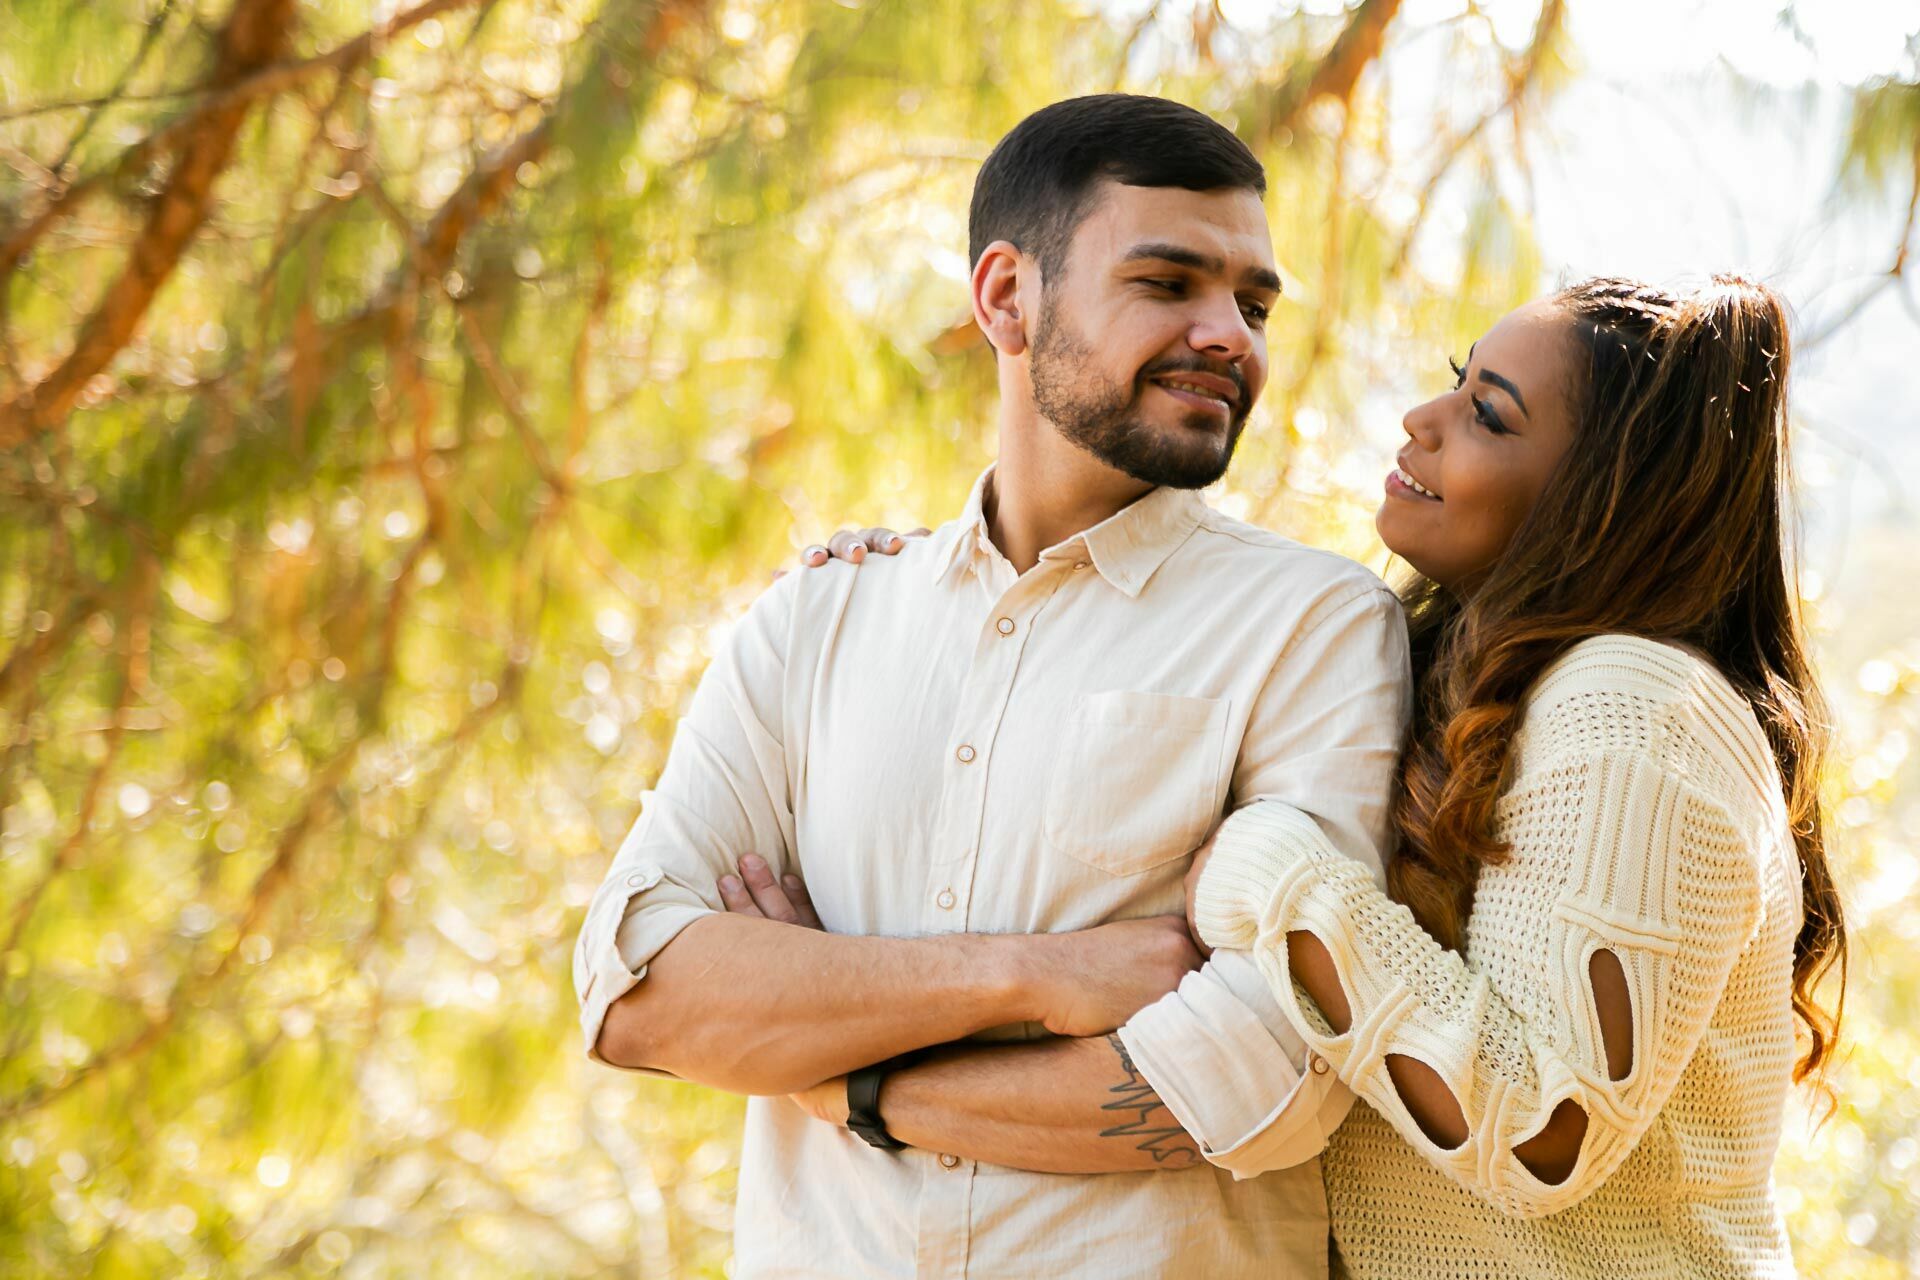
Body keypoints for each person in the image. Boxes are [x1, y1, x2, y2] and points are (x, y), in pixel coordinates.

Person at [818, 275, 1846, 1277]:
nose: (1422, 418)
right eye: (1458, 379)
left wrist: (1269, 872)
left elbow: (1542, 1129)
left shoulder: (1634, 706)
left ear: (1606, 500)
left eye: (1488, 415)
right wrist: (913, 590)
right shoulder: (1475, 678)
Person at [572, 94, 1411, 1278]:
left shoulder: (1314, 626)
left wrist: (847, 1076)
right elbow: (639, 991)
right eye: (1168, 282)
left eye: (1254, 303)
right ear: (1007, 296)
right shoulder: (820, 617)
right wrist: (1040, 975)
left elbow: (1272, 1076)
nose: (1230, 334)